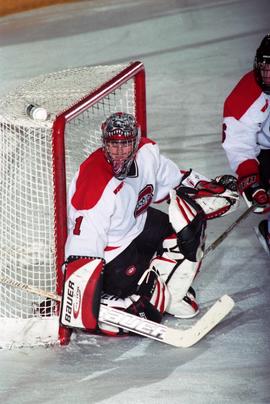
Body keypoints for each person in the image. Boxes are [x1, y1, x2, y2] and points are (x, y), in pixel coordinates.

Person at [60, 112, 239, 336]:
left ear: (135, 141)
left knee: (189, 227)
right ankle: (114, 301)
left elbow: (175, 179)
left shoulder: (147, 152)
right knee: (148, 311)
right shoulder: (95, 182)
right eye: (112, 144)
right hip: (111, 252)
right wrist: (79, 303)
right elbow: (83, 245)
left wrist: (209, 186)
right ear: (104, 143)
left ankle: (168, 293)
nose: (118, 152)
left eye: (125, 144)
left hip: (137, 224)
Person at [222, 34, 270, 256]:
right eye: (264, 67)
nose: (267, 75)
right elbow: (239, 144)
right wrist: (252, 179)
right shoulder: (246, 94)